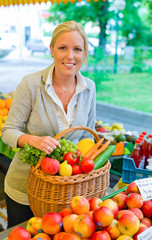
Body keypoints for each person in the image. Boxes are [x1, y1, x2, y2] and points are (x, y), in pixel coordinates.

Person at [1, 20, 96, 228]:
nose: (70, 56)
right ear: (52, 50)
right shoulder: (31, 84)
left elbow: (89, 136)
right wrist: (32, 140)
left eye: (77, 49)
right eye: (62, 48)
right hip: (24, 190)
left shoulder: (89, 88)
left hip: (66, 192)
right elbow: (7, 132)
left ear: (84, 53)